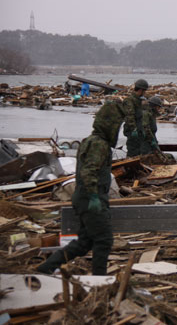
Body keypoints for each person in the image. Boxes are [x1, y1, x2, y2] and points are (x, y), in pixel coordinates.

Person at [36, 102, 125, 275]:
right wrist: (93, 197)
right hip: (91, 197)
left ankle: (45, 268)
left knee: (84, 243)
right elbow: (89, 171)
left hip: (86, 197)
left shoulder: (91, 141)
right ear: (110, 125)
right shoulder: (99, 144)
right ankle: (99, 280)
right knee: (104, 239)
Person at [123, 79, 148, 157]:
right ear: (140, 90)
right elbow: (130, 116)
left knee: (139, 152)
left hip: (139, 131)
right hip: (132, 132)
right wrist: (134, 130)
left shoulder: (138, 101)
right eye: (144, 91)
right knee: (133, 152)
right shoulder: (129, 100)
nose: (145, 93)